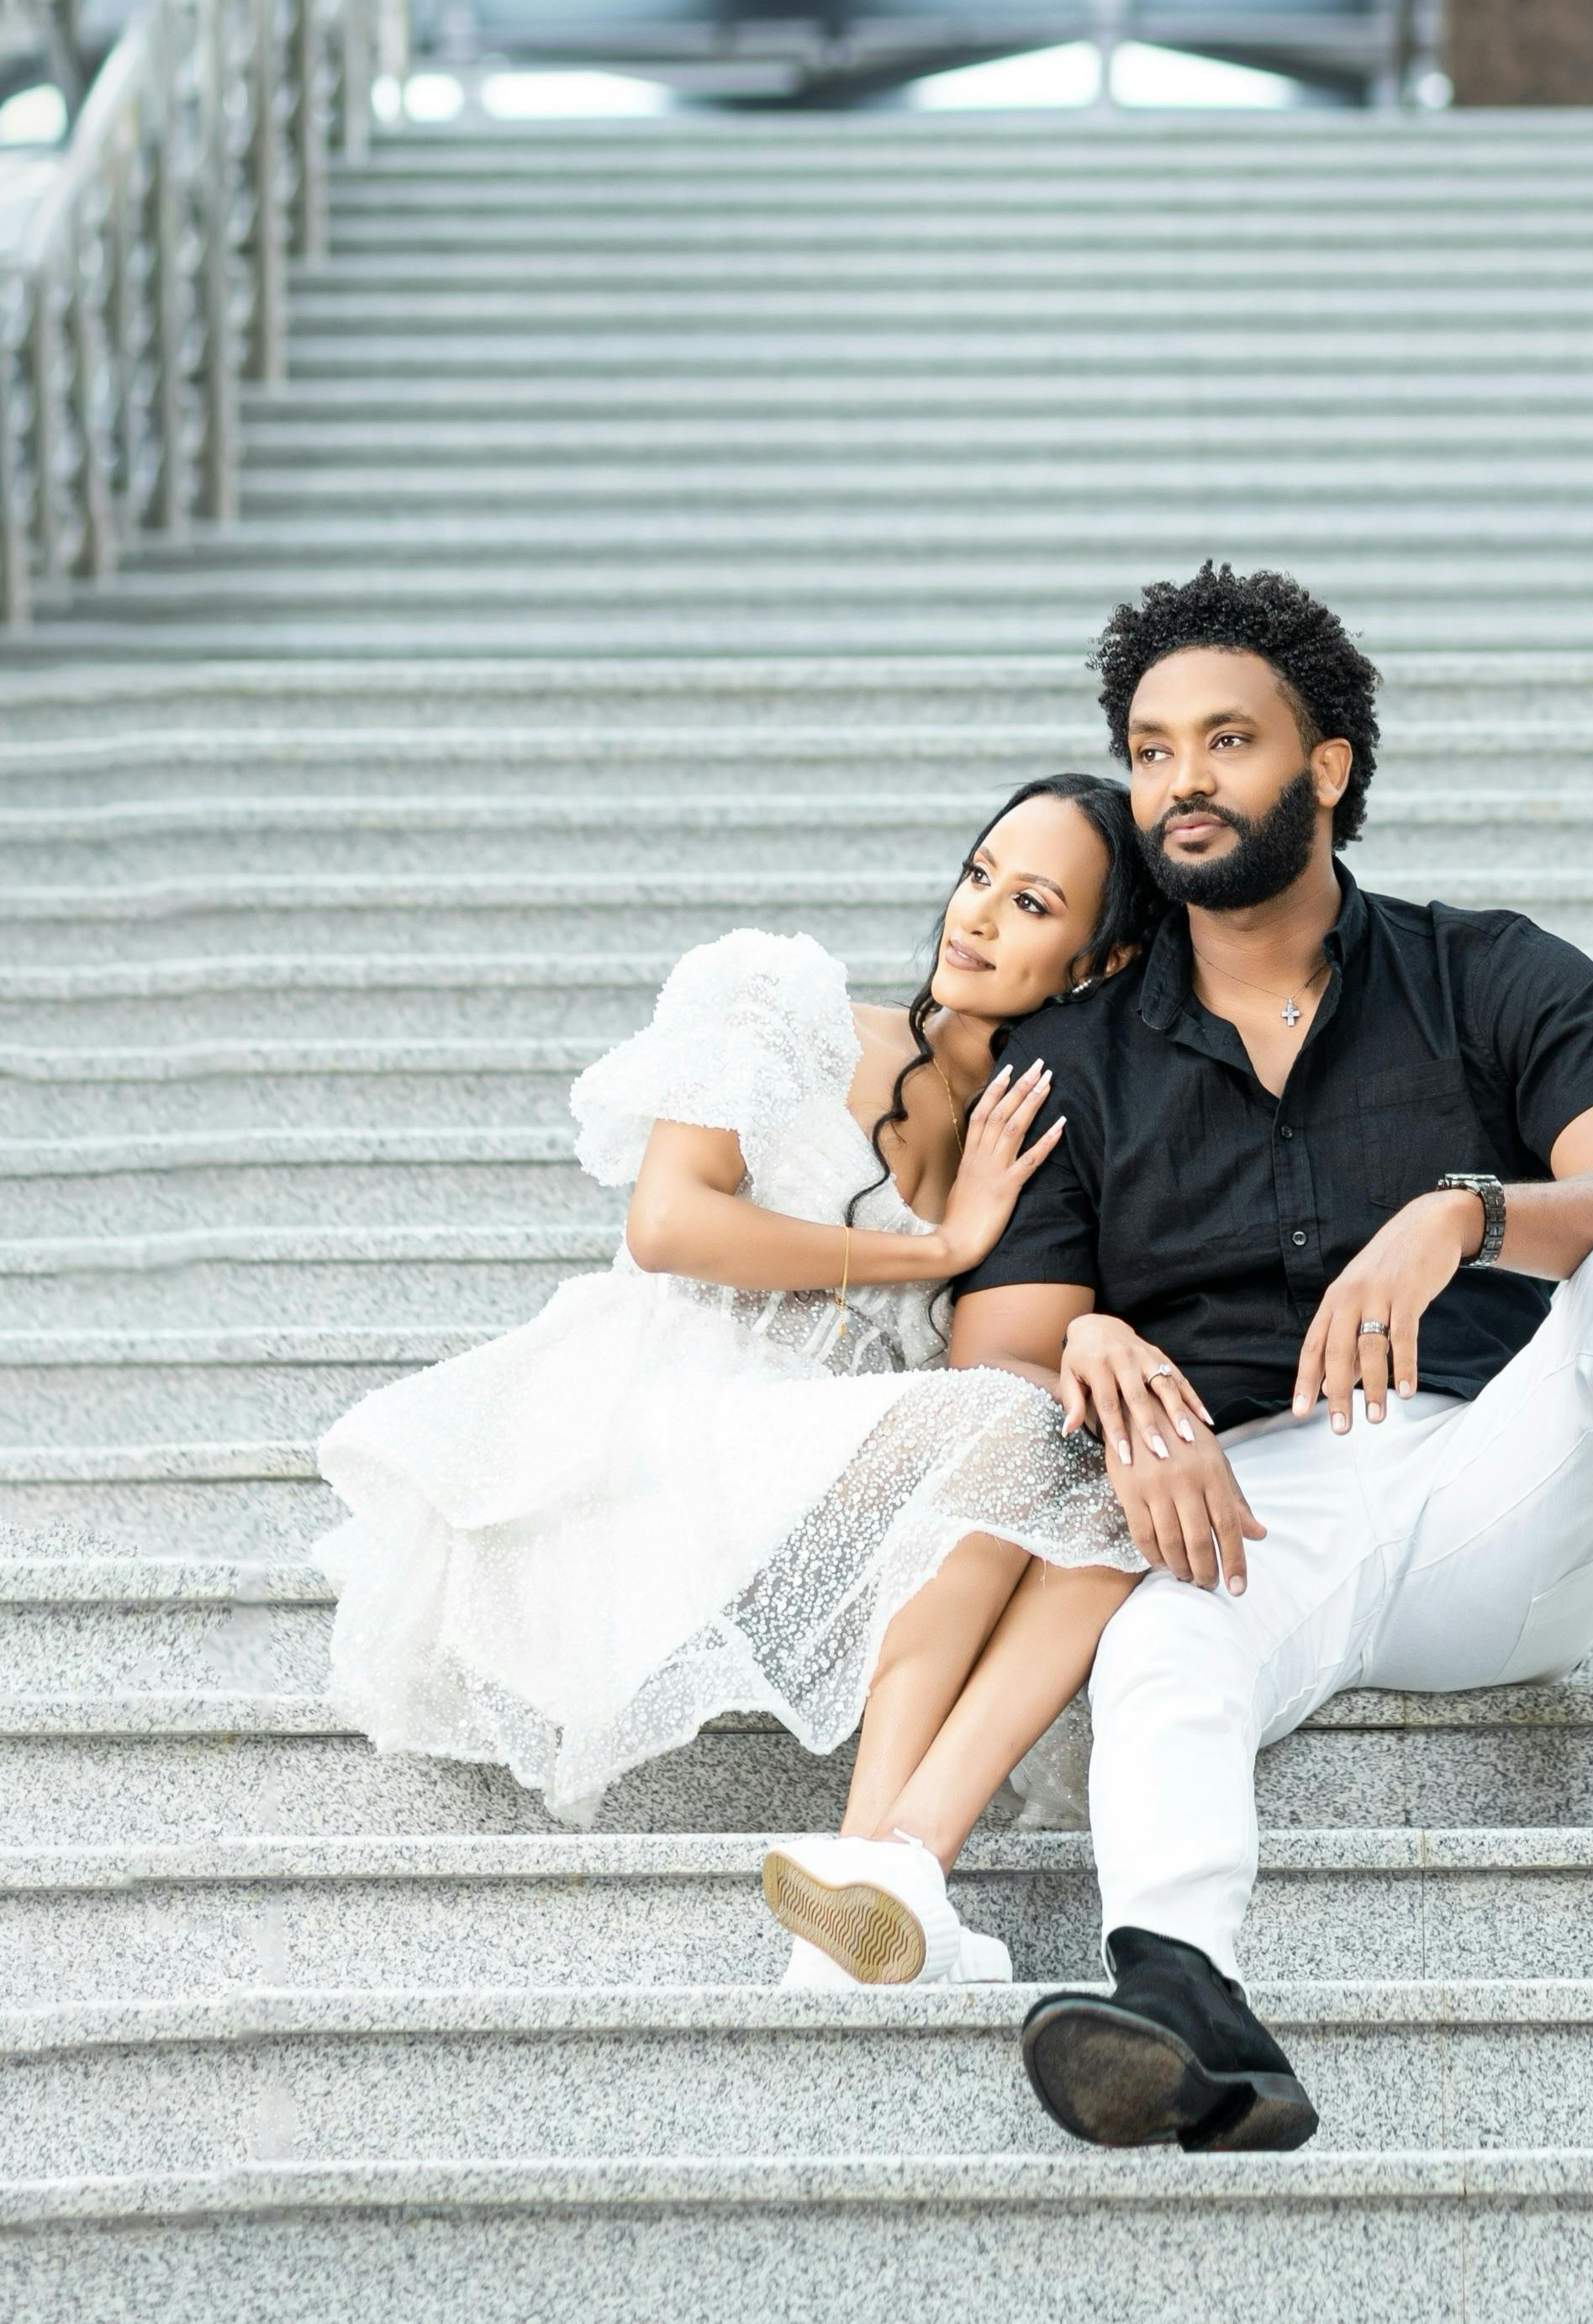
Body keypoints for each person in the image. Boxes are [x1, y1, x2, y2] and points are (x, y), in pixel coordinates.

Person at [950, 563, 1593, 2153]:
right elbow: (996, 1352)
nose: (1181, 784)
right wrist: (1087, 1344)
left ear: (1327, 765)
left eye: (1225, 741)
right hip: (1247, 1510)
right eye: (1150, 751)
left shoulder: (1491, 975)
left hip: (1500, 1484)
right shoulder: (1070, 1059)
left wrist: (1469, 1212)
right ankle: (1181, 1999)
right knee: (1157, 1654)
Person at [317, 773, 1168, 1988]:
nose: (973, 915)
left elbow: (1004, 1370)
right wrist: (932, 1248)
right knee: (1010, 1429)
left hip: (815, 1476)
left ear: (1097, 961)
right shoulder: (785, 1002)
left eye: (1028, 902)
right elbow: (669, 1225)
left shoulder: (1033, 1141)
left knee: (1068, 1462)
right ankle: (879, 1861)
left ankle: (874, 1875)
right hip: (656, 1417)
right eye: (978, 874)